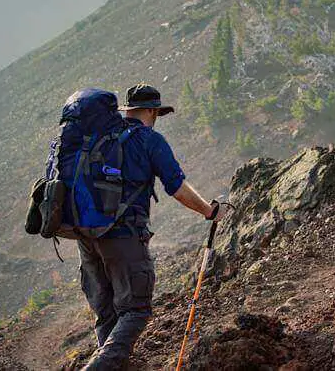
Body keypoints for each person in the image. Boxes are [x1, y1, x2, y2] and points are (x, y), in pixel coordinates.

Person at [78, 84, 227, 370]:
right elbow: (177, 188)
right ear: (150, 111)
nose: (156, 117)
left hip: (86, 235)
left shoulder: (100, 137)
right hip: (123, 236)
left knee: (107, 314)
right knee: (135, 310)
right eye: (156, 112)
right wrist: (209, 211)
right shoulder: (149, 140)